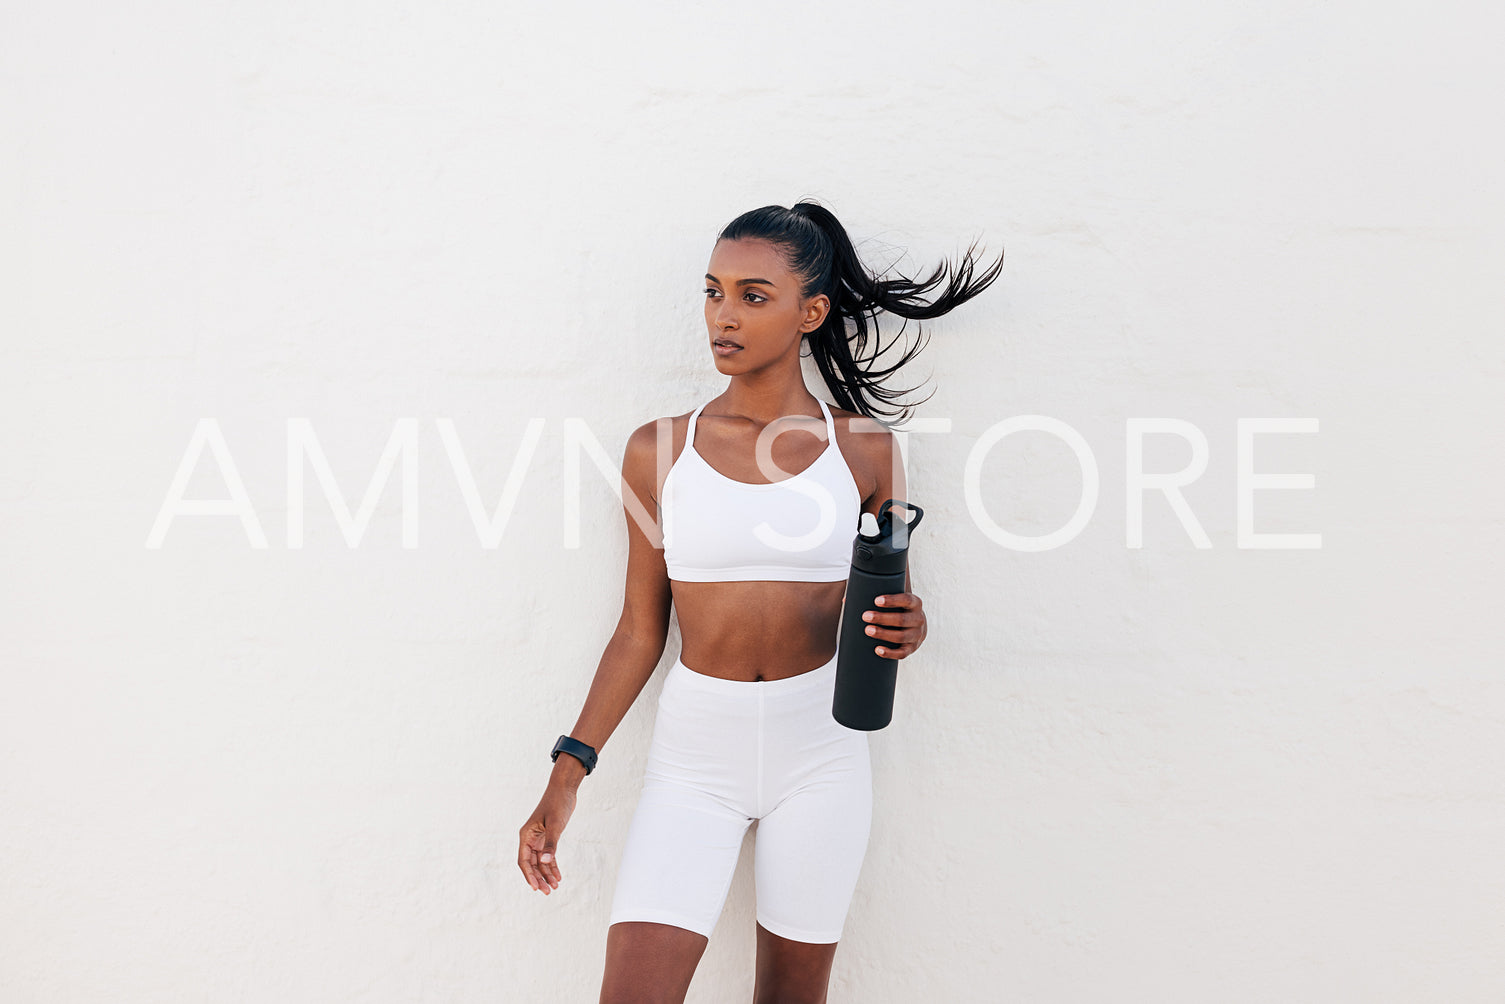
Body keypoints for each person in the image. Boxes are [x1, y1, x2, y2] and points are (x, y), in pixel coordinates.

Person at [518, 201, 1003, 1004]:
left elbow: (882, 608)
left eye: (752, 295)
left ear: (809, 312)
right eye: (712, 292)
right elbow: (640, 631)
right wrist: (570, 769)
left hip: (820, 752)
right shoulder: (657, 451)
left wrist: (907, 625)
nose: (723, 316)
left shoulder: (864, 450)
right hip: (692, 760)